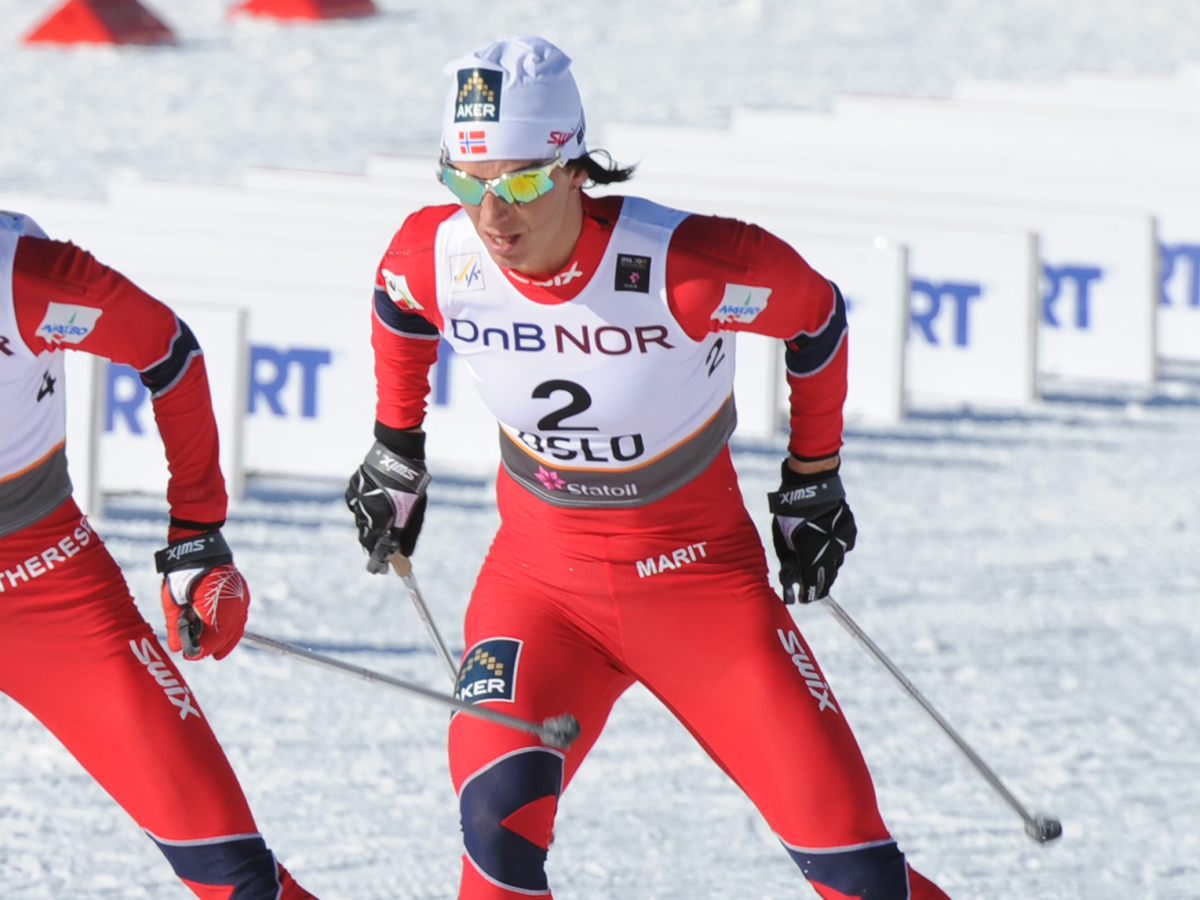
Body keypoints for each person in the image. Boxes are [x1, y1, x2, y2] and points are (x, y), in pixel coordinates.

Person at [345, 37, 953, 900]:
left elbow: (815, 317)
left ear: (572, 168)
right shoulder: (436, 256)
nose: (492, 215)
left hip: (699, 590)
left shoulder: (688, 267)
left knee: (854, 865)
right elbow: (397, 301)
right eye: (465, 182)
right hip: (539, 592)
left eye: (520, 183)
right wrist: (395, 447)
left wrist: (813, 476)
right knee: (495, 827)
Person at [0, 210, 320, 900]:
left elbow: (166, 348)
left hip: (41, 584)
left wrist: (196, 534)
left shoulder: (20, 275)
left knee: (234, 875)